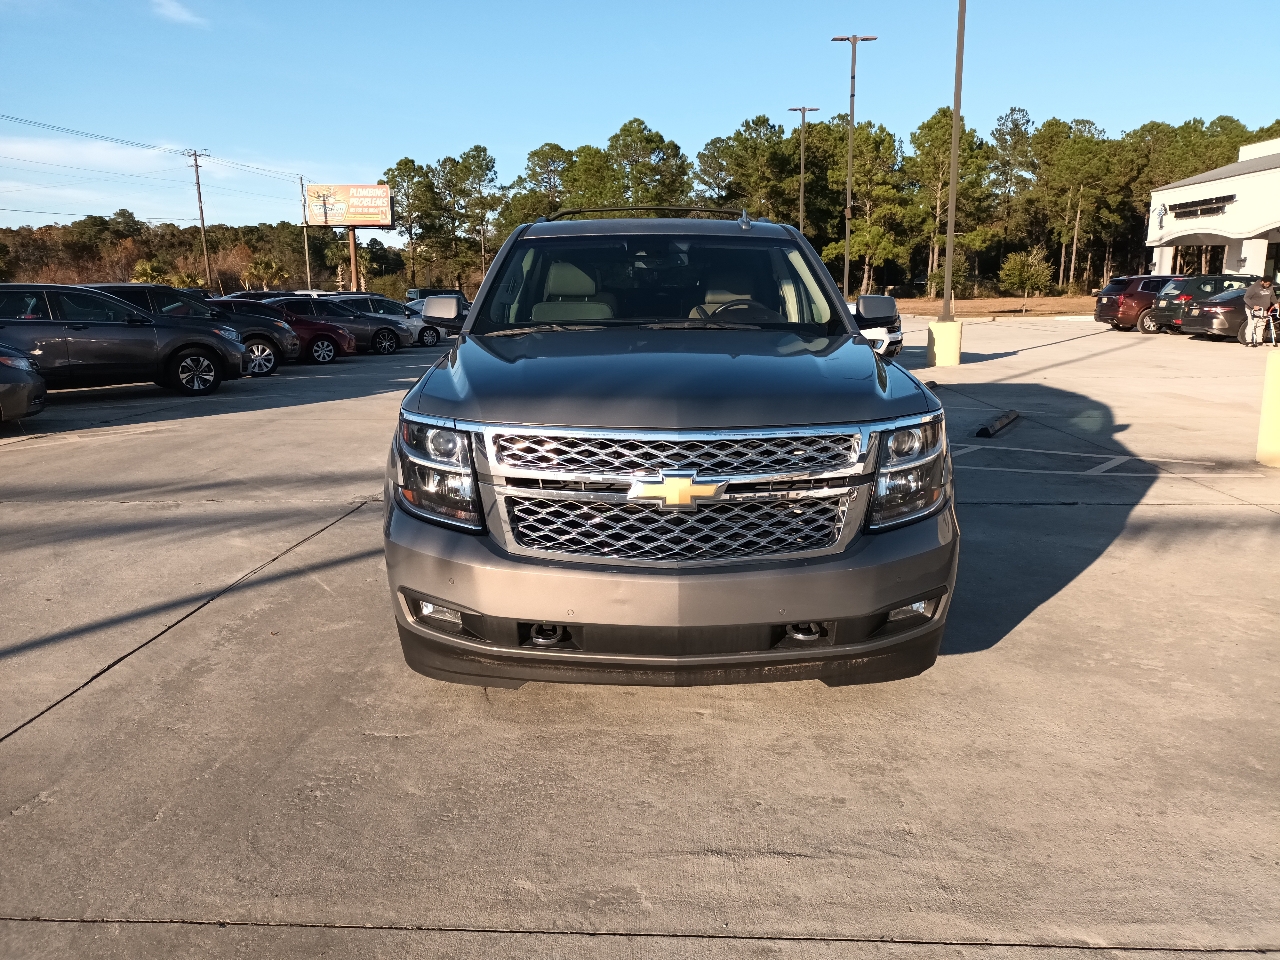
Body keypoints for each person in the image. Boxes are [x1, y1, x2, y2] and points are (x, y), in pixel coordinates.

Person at [1242, 277, 1277, 346]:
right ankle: (1248, 340)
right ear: (1262, 282)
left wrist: (1276, 303)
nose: (1267, 286)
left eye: (1269, 284)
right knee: (1252, 324)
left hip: (1263, 309)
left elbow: (1272, 296)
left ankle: (1259, 340)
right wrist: (1253, 306)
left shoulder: (1270, 287)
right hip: (1252, 308)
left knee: (1261, 325)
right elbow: (1246, 298)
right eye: (1266, 284)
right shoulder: (1253, 287)